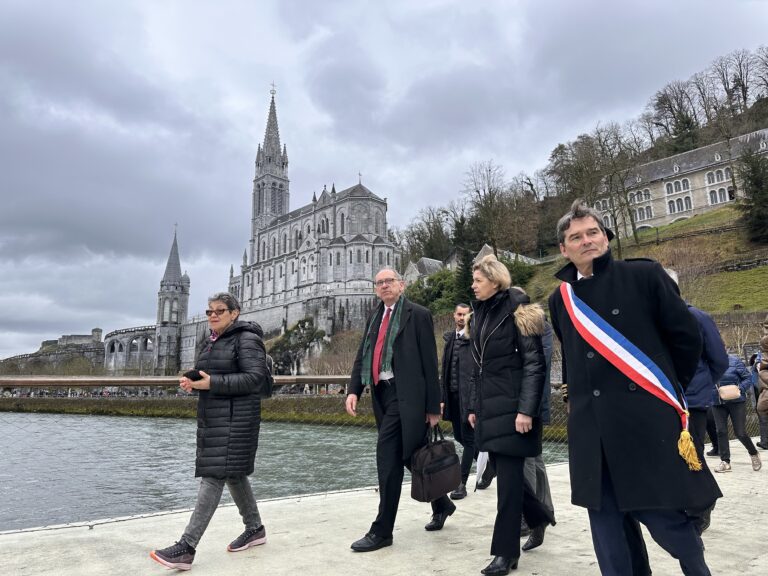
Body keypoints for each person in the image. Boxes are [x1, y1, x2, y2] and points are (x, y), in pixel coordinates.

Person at [548, 200, 721, 576]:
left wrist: (664, 394)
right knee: (607, 529)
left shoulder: (644, 276)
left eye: (593, 232)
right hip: (592, 430)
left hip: (645, 422)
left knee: (667, 521)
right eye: (575, 237)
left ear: (607, 237)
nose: (586, 241)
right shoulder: (559, 300)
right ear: (564, 249)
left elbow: (686, 339)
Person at [150, 292, 269, 571]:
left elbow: (254, 378)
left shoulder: (247, 339)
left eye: (220, 310)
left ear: (235, 313)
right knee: (233, 474)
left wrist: (212, 383)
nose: (213, 315)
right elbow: (209, 376)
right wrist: (194, 382)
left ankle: (186, 547)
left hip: (238, 419)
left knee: (213, 476)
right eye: (209, 311)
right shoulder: (211, 341)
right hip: (216, 417)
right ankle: (255, 529)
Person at [346, 267, 455, 553]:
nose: (384, 286)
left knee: (387, 459)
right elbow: (363, 355)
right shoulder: (374, 316)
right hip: (382, 395)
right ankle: (442, 503)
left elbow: (431, 363)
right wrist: (354, 390)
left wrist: (434, 406)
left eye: (389, 281)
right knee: (410, 455)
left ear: (402, 285)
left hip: (408, 396)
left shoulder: (417, 314)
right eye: (379, 283)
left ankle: (382, 530)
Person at [467, 255, 551, 576]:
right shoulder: (480, 315)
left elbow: (534, 364)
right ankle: (539, 517)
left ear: (495, 281)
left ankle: (505, 554)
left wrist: (526, 410)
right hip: (491, 409)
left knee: (508, 488)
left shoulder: (521, 311)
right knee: (509, 477)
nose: (472, 285)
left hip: (515, 410)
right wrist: (474, 407)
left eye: (478, 280)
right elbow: (479, 369)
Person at [511, 286, 556, 553]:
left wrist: (527, 407)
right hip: (524, 404)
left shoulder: (536, 325)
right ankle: (545, 510)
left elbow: (538, 366)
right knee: (535, 459)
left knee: (527, 459)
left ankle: (529, 516)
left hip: (530, 405)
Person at [440, 303, 475, 500]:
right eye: (459, 314)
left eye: (465, 314)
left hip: (467, 398)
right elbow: (444, 371)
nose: (461, 317)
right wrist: (442, 398)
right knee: (460, 437)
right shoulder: (450, 339)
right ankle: (492, 465)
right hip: (452, 397)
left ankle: (461, 483)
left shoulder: (473, 339)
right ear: (454, 315)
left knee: (468, 439)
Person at [711, 353, 762, 473]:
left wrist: (740, 389)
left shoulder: (734, 361)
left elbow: (748, 377)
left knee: (740, 432)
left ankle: (753, 453)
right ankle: (725, 461)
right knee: (721, 431)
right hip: (717, 402)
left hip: (736, 401)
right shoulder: (708, 363)